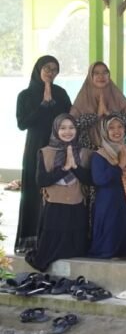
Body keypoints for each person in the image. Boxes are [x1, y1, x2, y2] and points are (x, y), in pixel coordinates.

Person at [15, 55, 72, 254]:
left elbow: (68, 119)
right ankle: (31, 239)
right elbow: (22, 123)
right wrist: (43, 104)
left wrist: (52, 101)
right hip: (34, 149)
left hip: (57, 149)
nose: (50, 72)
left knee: (56, 191)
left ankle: (53, 239)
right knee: (33, 191)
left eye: (54, 69)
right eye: (47, 68)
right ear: (38, 69)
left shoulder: (61, 93)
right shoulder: (25, 95)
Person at [25, 114, 91, 270]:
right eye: (62, 128)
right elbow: (41, 181)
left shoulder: (85, 153)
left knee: (76, 249)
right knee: (48, 249)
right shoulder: (45, 152)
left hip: (77, 204)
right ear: (55, 130)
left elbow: (90, 180)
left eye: (71, 128)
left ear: (77, 130)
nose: (67, 132)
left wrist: (75, 167)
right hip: (54, 205)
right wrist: (64, 169)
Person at [89, 115, 126, 259]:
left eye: (120, 127)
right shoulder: (100, 155)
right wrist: (120, 166)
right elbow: (99, 179)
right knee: (108, 245)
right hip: (108, 204)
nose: (117, 131)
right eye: (111, 128)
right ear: (104, 131)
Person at [70, 61, 126, 150]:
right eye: (96, 73)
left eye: (105, 72)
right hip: (89, 151)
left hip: (117, 151)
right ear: (90, 76)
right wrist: (96, 116)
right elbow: (72, 125)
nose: (101, 76)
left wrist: (110, 114)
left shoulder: (116, 95)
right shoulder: (83, 98)